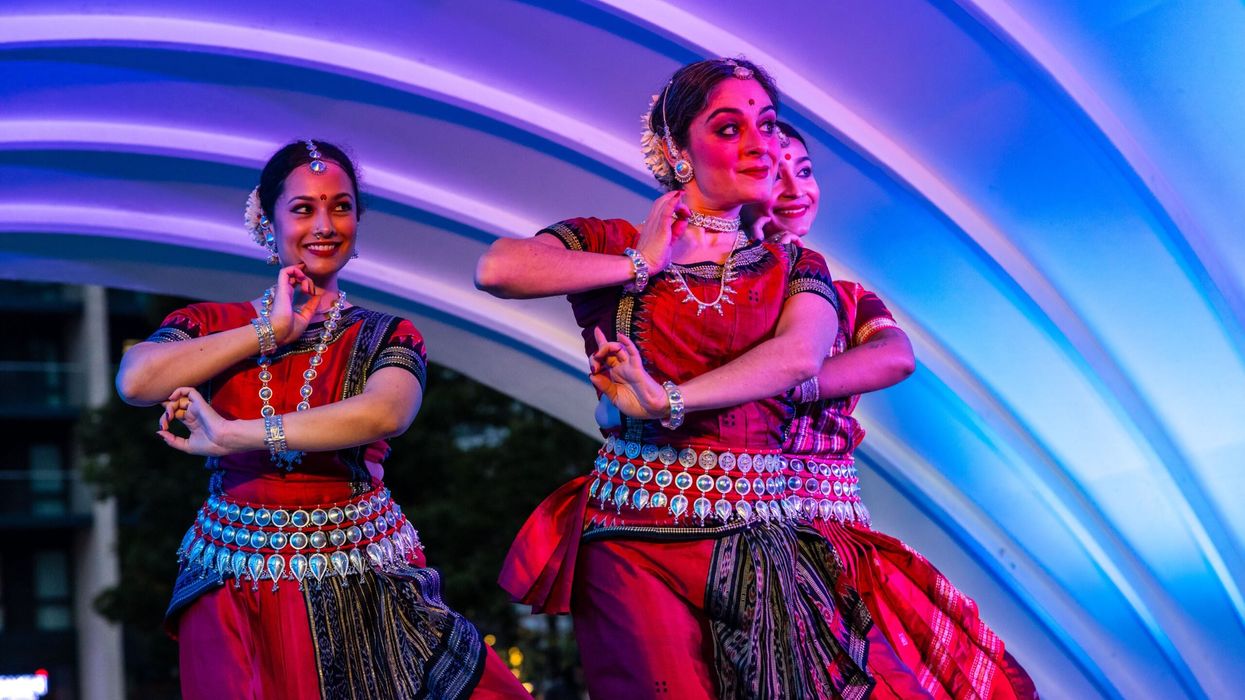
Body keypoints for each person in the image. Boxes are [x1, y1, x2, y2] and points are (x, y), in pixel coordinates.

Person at [477, 59, 874, 699]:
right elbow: (498, 268)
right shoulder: (611, 241)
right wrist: (639, 262)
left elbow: (800, 356)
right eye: (727, 127)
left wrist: (669, 398)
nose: (758, 143)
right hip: (636, 534)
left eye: (766, 125)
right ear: (675, 149)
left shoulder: (795, 264)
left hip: (762, 540)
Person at [116, 140, 531, 699]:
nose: (325, 224)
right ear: (267, 222)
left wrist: (234, 434)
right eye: (303, 208)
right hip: (233, 588)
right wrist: (271, 332)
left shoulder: (386, 333)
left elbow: (386, 411)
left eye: (340, 206)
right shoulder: (210, 324)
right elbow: (136, 381)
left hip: (364, 582)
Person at [765, 121, 1039, 699]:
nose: (796, 188)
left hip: (840, 535)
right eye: (773, 171)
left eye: (806, 171)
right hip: (748, 533)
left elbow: (895, 357)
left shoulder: (846, 298)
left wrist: (788, 381)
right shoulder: (713, 293)